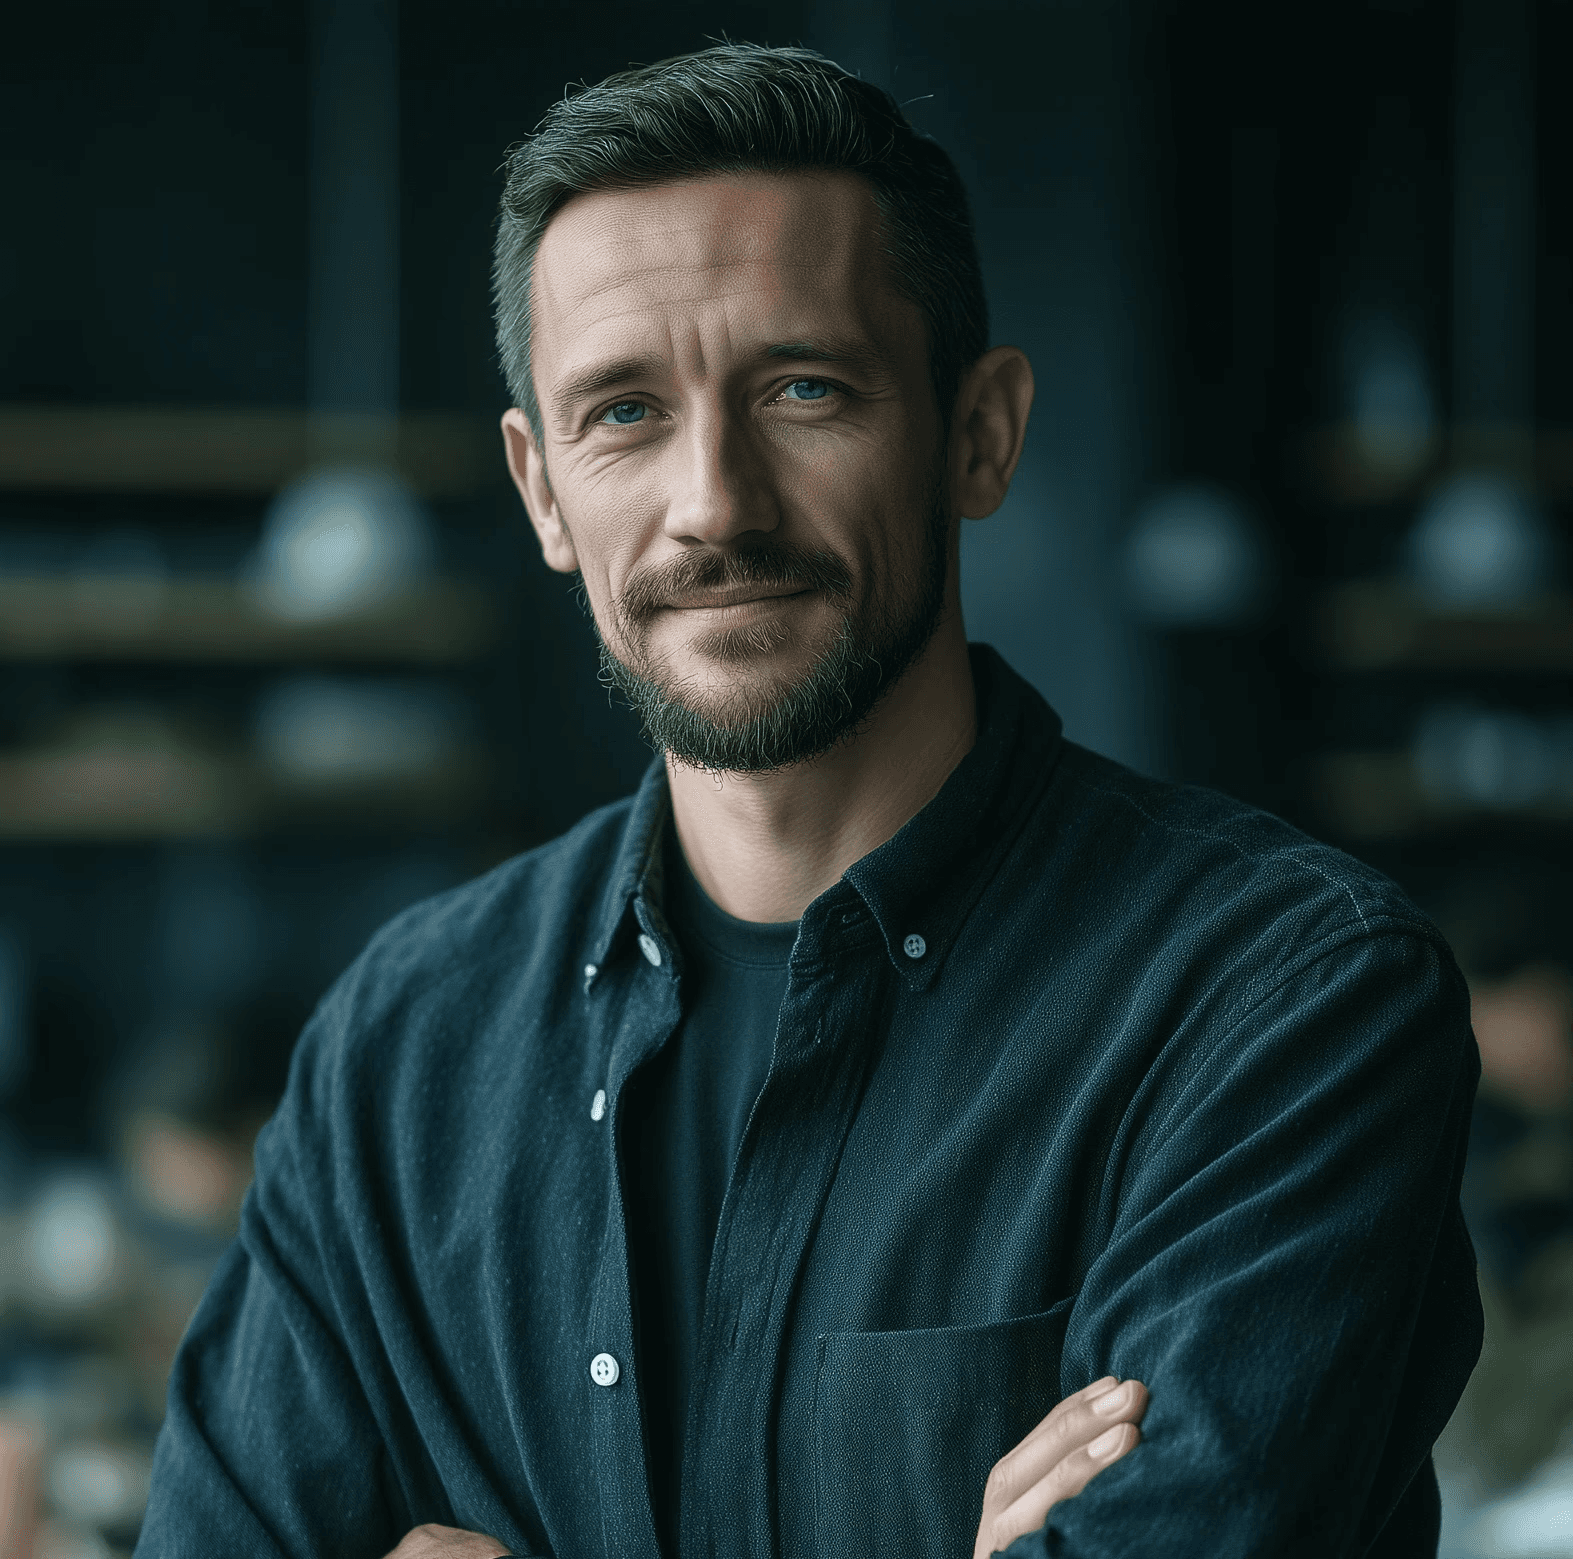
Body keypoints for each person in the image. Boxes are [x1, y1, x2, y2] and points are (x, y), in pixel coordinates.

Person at [135, 43, 1481, 1559]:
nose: (715, 502)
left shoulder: (1284, 1000)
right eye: (624, 412)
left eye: (804, 388)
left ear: (978, 434)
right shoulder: (402, 1045)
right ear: (541, 488)